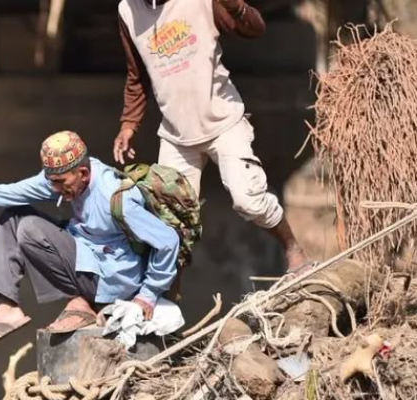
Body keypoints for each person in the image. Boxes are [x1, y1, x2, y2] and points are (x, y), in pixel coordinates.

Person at [0, 131, 180, 351]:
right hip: (88, 260)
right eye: (51, 182)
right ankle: (7, 306)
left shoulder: (116, 197)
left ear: (84, 174)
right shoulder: (62, 179)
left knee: (30, 228)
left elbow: (168, 241)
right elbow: (6, 193)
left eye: (60, 183)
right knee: (13, 216)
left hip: (114, 279)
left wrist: (147, 296)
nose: (54, 189)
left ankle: (82, 300)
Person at [112, 0, 313, 275]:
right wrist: (128, 125)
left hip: (223, 122)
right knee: (171, 225)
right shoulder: (128, 11)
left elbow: (254, 29)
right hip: (176, 134)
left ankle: (294, 250)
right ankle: (162, 303)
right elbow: (137, 73)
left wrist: (236, 6)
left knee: (249, 199)